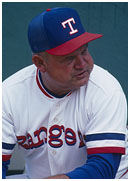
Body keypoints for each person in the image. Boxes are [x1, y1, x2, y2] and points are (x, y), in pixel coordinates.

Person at [2, 7, 128, 179]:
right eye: (69, 58)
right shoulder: (9, 94)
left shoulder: (105, 89)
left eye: (84, 51)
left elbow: (104, 167)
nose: (82, 64)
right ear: (40, 63)